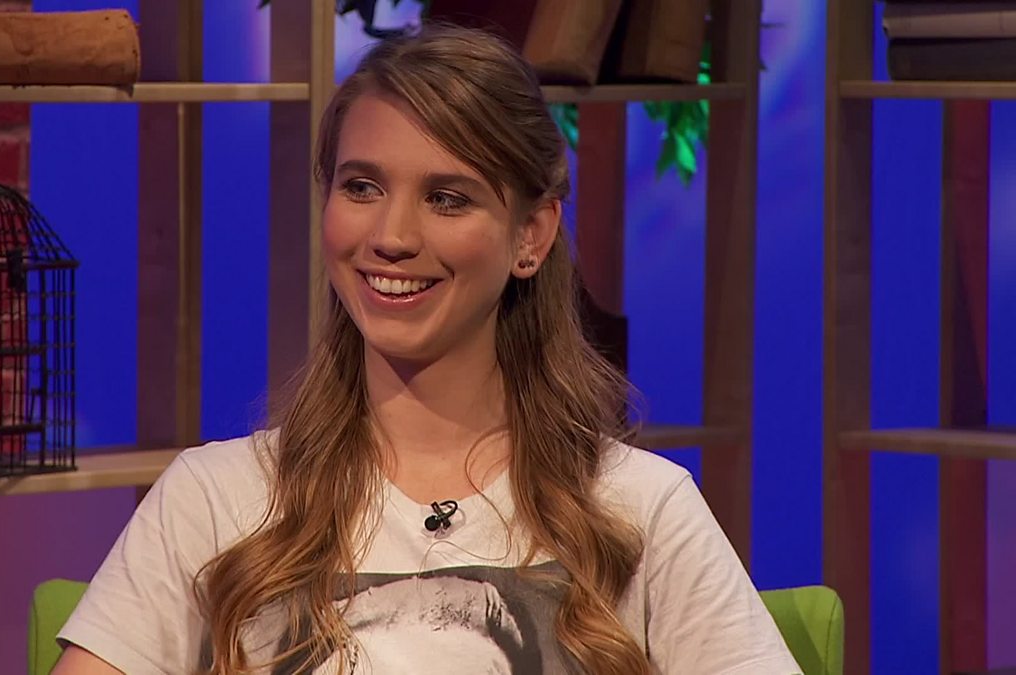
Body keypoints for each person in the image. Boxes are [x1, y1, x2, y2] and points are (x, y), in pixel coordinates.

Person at [53, 24, 801, 675]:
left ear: (531, 235)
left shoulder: (639, 511)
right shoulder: (212, 502)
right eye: (362, 187)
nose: (392, 236)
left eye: (447, 198)